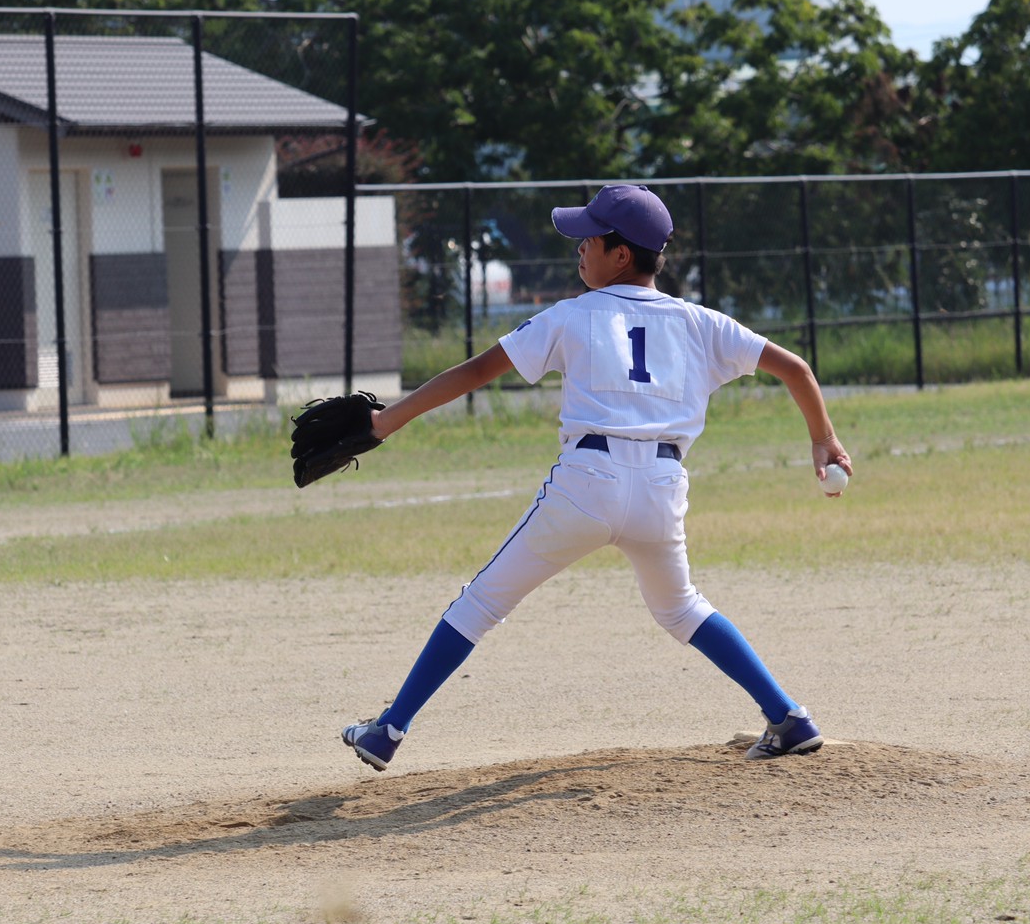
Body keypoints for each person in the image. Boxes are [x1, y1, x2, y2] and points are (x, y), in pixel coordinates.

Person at [341, 184, 852, 771]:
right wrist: (824, 437)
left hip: (588, 481)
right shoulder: (700, 322)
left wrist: (385, 422)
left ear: (622, 255)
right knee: (682, 609)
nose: (579, 248)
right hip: (661, 489)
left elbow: (477, 370)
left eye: (590, 238)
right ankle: (789, 718)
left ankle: (388, 730)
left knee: (482, 601)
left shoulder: (575, 315)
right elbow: (794, 367)